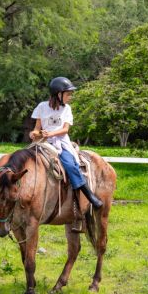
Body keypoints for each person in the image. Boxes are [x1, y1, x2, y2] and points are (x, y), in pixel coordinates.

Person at [29, 77, 103, 214]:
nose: (70, 97)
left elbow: (65, 130)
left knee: (69, 164)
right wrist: (34, 133)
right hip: (43, 142)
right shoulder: (41, 107)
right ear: (59, 94)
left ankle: (89, 196)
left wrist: (49, 134)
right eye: (68, 94)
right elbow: (37, 128)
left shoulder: (67, 109)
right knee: (25, 160)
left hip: (60, 142)